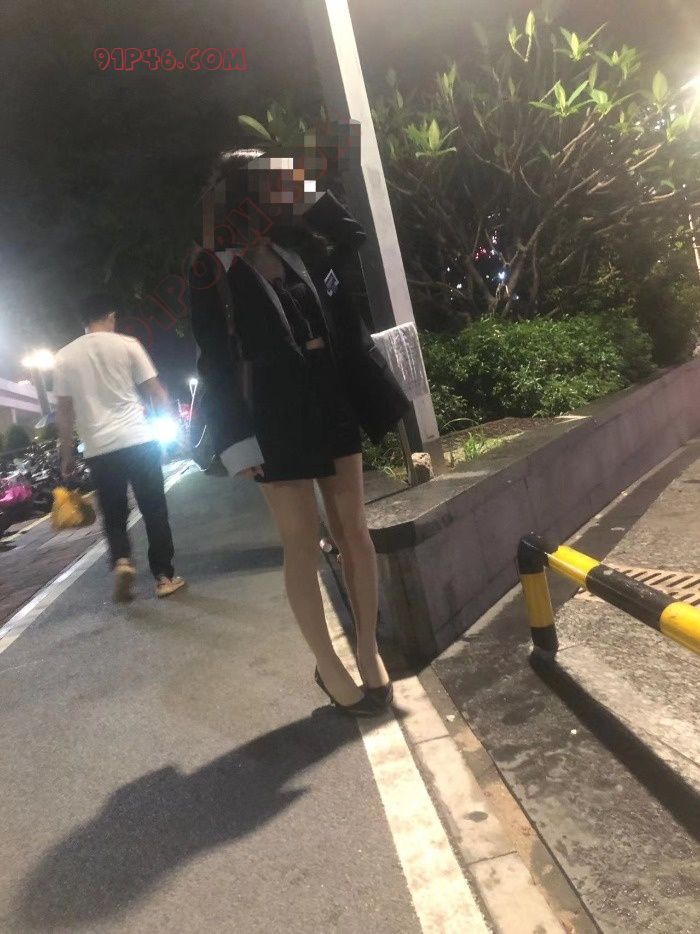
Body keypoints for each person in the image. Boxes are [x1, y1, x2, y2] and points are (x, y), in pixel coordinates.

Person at [189, 148, 410, 716]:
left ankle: (367, 650)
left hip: (331, 397)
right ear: (246, 195)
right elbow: (213, 360)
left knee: (353, 530)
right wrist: (236, 441)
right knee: (302, 542)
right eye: (277, 183)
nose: (290, 189)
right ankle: (328, 664)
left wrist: (311, 197)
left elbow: (353, 236)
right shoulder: (213, 268)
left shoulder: (300, 245)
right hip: (271, 415)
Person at [54, 295, 185, 602]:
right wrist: (171, 427)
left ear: (83, 321)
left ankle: (122, 560)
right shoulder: (128, 344)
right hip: (138, 440)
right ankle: (164, 577)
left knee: (113, 512)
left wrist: (67, 455)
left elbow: (64, 412)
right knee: (153, 509)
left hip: (99, 448)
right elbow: (156, 392)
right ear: (111, 315)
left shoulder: (64, 357)